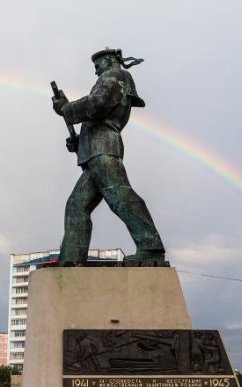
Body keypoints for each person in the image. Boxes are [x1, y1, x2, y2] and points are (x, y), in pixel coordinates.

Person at [51, 48, 166, 265]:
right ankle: (71, 259)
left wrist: (66, 108)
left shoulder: (114, 76)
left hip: (103, 150)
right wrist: (79, 143)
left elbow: (97, 105)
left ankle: (151, 246)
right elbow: (99, 120)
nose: (96, 71)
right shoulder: (114, 79)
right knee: (77, 206)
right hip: (97, 150)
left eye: (97, 66)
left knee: (119, 196)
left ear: (109, 60)